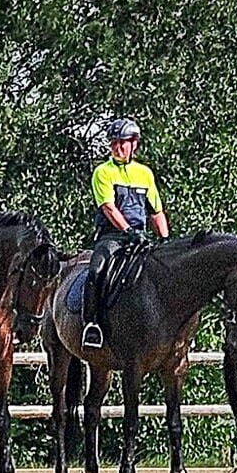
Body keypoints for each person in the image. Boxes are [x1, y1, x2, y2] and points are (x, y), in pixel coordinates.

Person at [83, 116, 167, 352]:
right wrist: (128, 231)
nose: (118, 147)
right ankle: (92, 325)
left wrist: (165, 240)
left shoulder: (144, 173)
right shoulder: (103, 172)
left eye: (123, 142)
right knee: (96, 271)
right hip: (112, 237)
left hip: (140, 238)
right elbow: (108, 207)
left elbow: (156, 211)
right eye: (114, 143)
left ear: (134, 144)